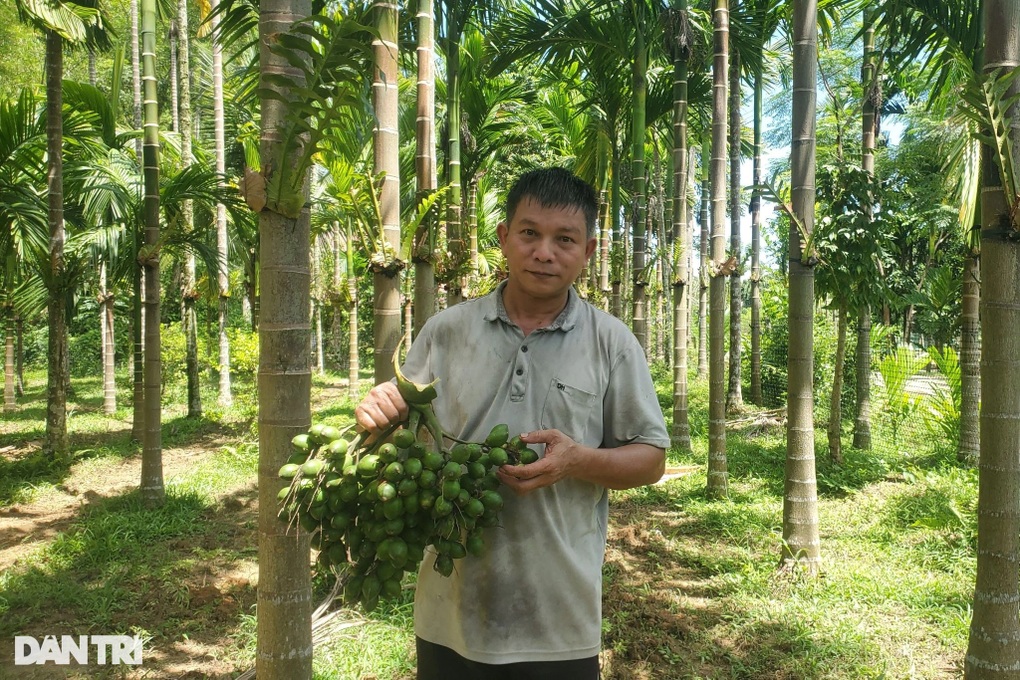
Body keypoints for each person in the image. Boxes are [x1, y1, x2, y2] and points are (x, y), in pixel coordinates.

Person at [355, 167, 669, 680]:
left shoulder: (612, 343)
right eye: (530, 233)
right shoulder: (447, 332)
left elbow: (651, 459)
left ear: (588, 251)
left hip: (559, 623)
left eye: (564, 239)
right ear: (504, 239)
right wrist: (378, 412)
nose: (544, 252)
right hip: (450, 613)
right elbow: (400, 426)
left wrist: (577, 461)